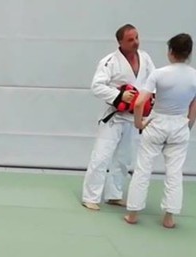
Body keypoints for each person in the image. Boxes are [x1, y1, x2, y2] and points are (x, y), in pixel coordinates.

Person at [81, 24, 156, 211]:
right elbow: (97, 86)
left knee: (124, 159)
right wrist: (120, 95)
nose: (135, 42)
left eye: (136, 38)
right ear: (120, 42)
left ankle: (114, 194)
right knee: (101, 157)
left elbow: (153, 82)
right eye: (130, 39)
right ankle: (90, 196)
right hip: (113, 118)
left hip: (133, 118)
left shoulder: (145, 58)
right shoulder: (109, 61)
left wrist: (149, 99)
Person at [125, 33, 196, 228]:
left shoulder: (159, 74)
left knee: (143, 168)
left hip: (157, 122)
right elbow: (194, 105)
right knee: (175, 172)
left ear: (170, 52)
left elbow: (139, 103)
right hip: (180, 123)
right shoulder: (194, 76)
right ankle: (169, 218)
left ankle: (133, 213)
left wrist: (139, 123)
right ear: (189, 53)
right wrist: (188, 125)